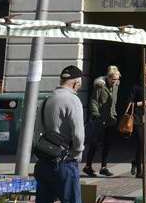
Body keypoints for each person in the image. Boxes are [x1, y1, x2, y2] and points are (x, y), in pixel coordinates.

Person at [36, 65, 86, 203]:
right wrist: (77, 153)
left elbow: (37, 131)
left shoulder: (45, 100)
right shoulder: (73, 100)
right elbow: (78, 134)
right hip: (65, 161)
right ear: (76, 83)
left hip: (44, 161)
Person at [83, 66, 121, 178]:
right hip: (100, 118)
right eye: (113, 79)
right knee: (94, 142)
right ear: (108, 78)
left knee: (108, 143)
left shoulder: (116, 84)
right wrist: (96, 114)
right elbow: (94, 100)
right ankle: (88, 166)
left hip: (111, 118)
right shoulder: (100, 86)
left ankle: (104, 167)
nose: (115, 81)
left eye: (117, 79)